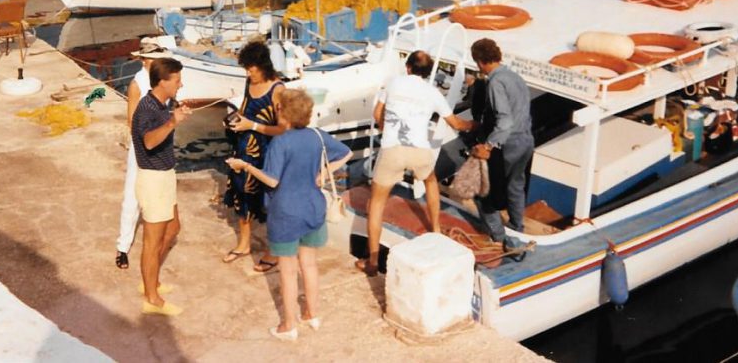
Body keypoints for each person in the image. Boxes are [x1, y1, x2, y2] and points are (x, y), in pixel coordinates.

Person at [226, 88, 350, 341]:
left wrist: (246, 165)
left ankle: (289, 325)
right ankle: (312, 314)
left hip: (286, 212)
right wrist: (323, 175)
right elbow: (346, 153)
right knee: (310, 265)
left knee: (288, 270)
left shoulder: (281, 142)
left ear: (282, 112)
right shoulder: (316, 135)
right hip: (313, 208)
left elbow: (272, 181)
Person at [355, 50, 472, 277]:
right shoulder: (433, 92)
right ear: (428, 73)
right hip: (419, 151)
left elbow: (377, 111)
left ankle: (372, 262)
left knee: (377, 203)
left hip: (392, 151)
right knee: (430, 181)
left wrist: (382, 126)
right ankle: (436, 230)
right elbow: (456, 124)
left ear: (407, 67)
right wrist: (475, 126)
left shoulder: (393, 83)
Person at [132, 57, 192, 316]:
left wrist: (174, 115)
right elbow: (148, 142)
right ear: (163, 82)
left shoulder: (161, 104)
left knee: (173, 229)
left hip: (165, 175)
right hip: (153, 179)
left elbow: (163, 125)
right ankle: (151, 298)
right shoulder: (147, 108)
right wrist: (172, 122)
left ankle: (151, 278)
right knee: (152, 241)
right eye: (177, 80)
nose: (181, 84)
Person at [223, 40, 285, 273]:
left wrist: (253, 126)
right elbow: (245, 110)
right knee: (241, 195)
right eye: (246, 69)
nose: (249, 73)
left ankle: (274, 251)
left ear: (263, 66)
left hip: (267, 153)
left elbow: (283, 129)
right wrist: (234, 120)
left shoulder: (278, 90)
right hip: (244, 149)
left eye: (252, 69)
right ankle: (244, 244)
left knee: (269, 203)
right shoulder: (249, 82)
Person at [468, 38, 533, 253]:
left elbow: (504, 120)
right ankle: (517, 226)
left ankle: (498, 237)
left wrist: (488, 145)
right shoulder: (515, 77)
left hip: (507, 143)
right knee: (515, 184)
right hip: (526, 140)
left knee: (483, 191)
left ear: (480, 61)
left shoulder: (495, 82)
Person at [115, 39, 167, 271]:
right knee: (132, 196)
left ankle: (155, 241)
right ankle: (123, 247)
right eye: (155, 59)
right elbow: (131, 119)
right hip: (142, 145)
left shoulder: (160, 81)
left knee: (157, 195)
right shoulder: (137, 84)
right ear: (145, 61)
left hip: (160, 142)